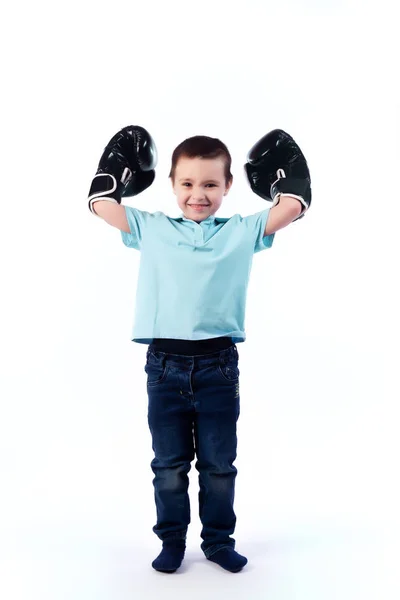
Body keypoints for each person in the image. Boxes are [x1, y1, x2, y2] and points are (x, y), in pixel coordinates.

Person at [87, 125, 311, 574]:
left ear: (229, 186)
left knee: (218, 465)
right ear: (171, 184)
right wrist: (111, 177)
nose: (198, 194)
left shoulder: (242, 231)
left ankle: (217, 542)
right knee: (168, 466)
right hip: (164, 367)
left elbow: (288, 208)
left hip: (218, 367)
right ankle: (172, 541)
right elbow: (102, 207)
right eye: (187, 183)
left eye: (210, 184)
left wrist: (289, 183)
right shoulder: (150, 228)